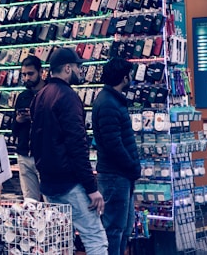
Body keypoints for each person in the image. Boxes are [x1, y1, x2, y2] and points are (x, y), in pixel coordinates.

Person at [30, 47, 108, 255]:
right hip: (70, 183)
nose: (80, 71)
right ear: (67, 68)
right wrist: (91, 187)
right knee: (94, 237)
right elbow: (77, 145)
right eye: (77, 67)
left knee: (61, 241)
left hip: (49, 182)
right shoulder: (68, 97)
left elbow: (35, 142)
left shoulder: (40, 96)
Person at [92, 58, 141, 255]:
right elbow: (113, 143)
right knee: (114, 228)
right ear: (124, 77)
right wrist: (131, 165)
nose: (131, 78)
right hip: (115, 175)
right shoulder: (108, 103)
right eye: (130, 75)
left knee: (123, 227)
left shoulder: (112, 100)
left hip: (121, 175)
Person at [12, 55, 44, 200]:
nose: (26, 78)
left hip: (43, 155)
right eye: (24, 74)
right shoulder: (22, 96)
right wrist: (18, 120)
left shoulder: (48, 94)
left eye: (30, 74)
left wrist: (35, 118)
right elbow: (13, 130)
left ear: (41, 72)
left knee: (50, 200)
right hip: (24, 153)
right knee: (30, 201)